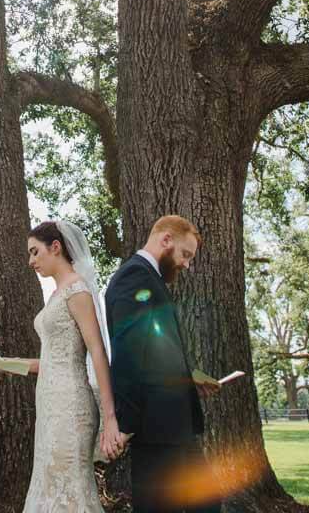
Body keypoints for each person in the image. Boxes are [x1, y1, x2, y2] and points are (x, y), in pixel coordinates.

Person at [2, 220, 123, 512]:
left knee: (70, 487)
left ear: (55, 247)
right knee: (49, 482)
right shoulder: (56, 295)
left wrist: (110, 418)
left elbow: (96, 351)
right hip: (49, 405)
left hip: (71, 407)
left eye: (34, 252)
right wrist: (9, 364)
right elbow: (54, 360)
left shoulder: (76, 291)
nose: (31, 261)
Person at [104, 215, 222, 513]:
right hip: (154, 427)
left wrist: (189, 377)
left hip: (175, 424)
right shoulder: (135, 277)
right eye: (186, 254)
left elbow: (155, 350)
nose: (186, 264)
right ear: (166, 240)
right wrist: (126, 423)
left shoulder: (150, 279)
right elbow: (128, 354)